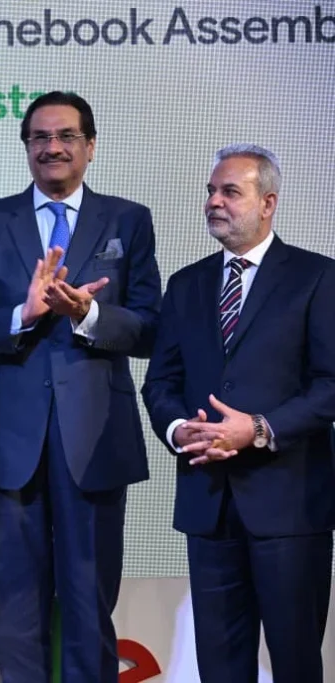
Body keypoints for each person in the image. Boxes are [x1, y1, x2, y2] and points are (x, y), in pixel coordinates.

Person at [0, 91, 162, 682]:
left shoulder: (128, 220)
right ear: (26, 148)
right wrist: (22, 313)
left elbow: (150, 327)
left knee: (89, 603)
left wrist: (87, 316)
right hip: (9, 440)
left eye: (66, 136)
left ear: (90, 146)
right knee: (16, 605)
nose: (52, 148)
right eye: (39, 137)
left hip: (94, 438)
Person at [142, 144, 335, 683]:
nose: (214, 202)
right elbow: (161, 383)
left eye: (230, 191)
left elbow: (331, 385)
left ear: (268, 202)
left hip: (290, 509)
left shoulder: (317, 278)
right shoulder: (186, 285)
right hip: (209, 506)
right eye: (210, 191)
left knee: (296, 662)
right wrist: (181, 430)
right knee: (221, 667)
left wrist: (259, 429)